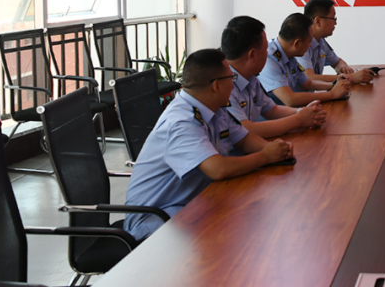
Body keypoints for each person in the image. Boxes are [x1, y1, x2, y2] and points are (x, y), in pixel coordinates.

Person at [123, 49, 294, 240]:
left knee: (250, 220)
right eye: (231, 78)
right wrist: (265, 156)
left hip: (192, 203)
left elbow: (244, 140)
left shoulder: (215, 109)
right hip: (155, 218)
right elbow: (217, 169)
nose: (234, 83)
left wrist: (277, 150)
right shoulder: (181, 122)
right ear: (216, 85)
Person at [221, 15, 327, 137]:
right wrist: (298, 119)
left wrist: (304, 112)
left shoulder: (251, 78)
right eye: (265, 49)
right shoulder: (223, 84)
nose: (267, 53)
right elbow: (246, 130)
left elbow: (272, 110)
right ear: (252, 55)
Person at [258, 12, 351, 106]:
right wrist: (332, 94)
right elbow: (290, 99)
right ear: (297, 43)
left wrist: (335, 85)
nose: (310, 45)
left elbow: (307, 84)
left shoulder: (289, 55)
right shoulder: (269, 60)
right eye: (309, 42)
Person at [301, 0, 375, 84]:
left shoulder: (320, 41)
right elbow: (309, 78)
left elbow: (337, 62)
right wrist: (351, 77)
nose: (335, 23)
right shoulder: (301, 43)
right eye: (333, 18)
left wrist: (344, 68)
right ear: (318, 21)